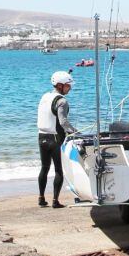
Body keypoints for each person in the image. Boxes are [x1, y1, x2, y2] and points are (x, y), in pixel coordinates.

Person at [37, 70, 78, 208]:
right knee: (59, 170)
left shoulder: (45, 96)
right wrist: (76, 132)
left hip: (41, 136)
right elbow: (63, 122)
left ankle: (41, 198)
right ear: (60, 85)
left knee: (44, 168)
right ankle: (55, 201)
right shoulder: (62, 101)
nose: (70, 88)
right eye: (68, 85)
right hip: (55, 138)